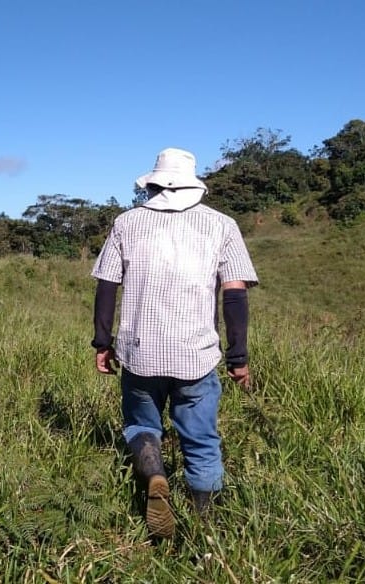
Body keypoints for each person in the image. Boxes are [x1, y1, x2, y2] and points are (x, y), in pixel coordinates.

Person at [90, 148, 258, 537]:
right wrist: (238, 359)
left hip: (139, 353)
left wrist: (103, 342)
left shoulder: (125, 223)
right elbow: (234, 296)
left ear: (152, 183)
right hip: (195, 355)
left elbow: (106, 286)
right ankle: (204, 525)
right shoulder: (222, 225)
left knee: (140, 424)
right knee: (200, 439)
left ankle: (154, 475)